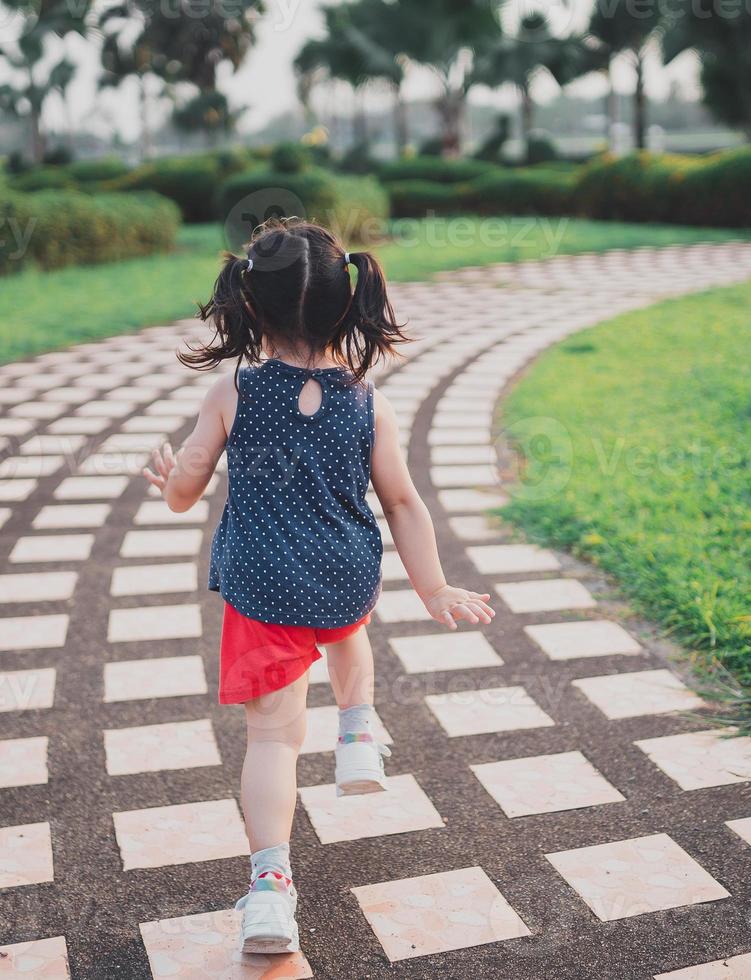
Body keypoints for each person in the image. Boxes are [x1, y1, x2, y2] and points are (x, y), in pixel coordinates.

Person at [142, 217, 496, 954]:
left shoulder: (232, 393)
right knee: (349, 635)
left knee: (272, 740)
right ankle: (358, 731)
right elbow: (403, 501)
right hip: (345, 573)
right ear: (346, 304)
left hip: (266, 586)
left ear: (251, 309)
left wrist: (171, 475)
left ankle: (270, 893)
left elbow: (184, 493)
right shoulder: (371, 402)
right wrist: (432, 589)